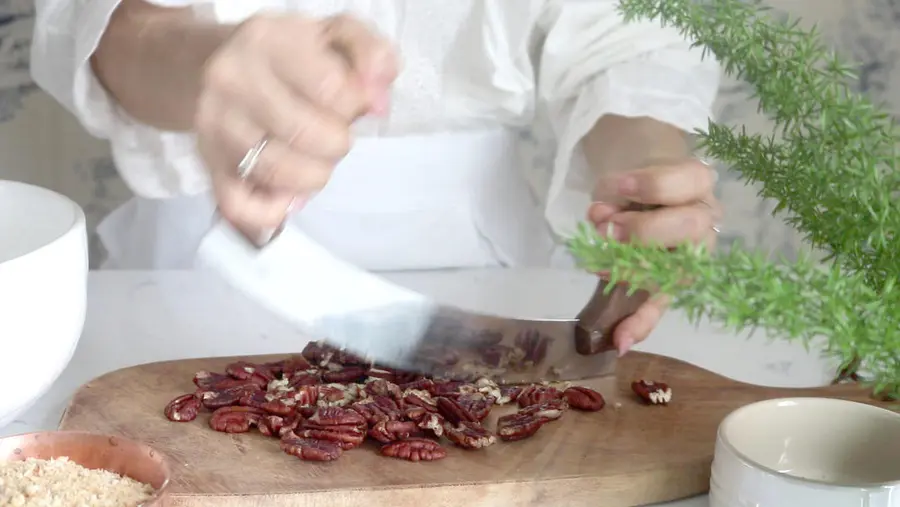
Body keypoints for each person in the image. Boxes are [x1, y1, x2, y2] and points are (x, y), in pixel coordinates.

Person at [30, 0, 722, 355]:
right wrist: (210, 62)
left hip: (496, 276)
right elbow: (104, 25)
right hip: (195, 266)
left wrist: (647, 170)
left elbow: (628, 30)